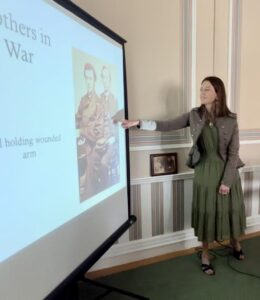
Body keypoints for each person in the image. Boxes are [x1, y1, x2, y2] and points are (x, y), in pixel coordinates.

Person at [121, 76, 246, 276]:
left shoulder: (231, 119)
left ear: (217, 93)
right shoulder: (194, 115)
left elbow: (233, 154)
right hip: (204, 172)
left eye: (207, 89)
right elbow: (168, 125)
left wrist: (227, 182)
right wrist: (139, 123)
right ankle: (205, 254)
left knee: (230, 209)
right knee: (206, 213)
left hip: (226, 172)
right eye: (201, 89)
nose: (202, 92)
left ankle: (235, 243)